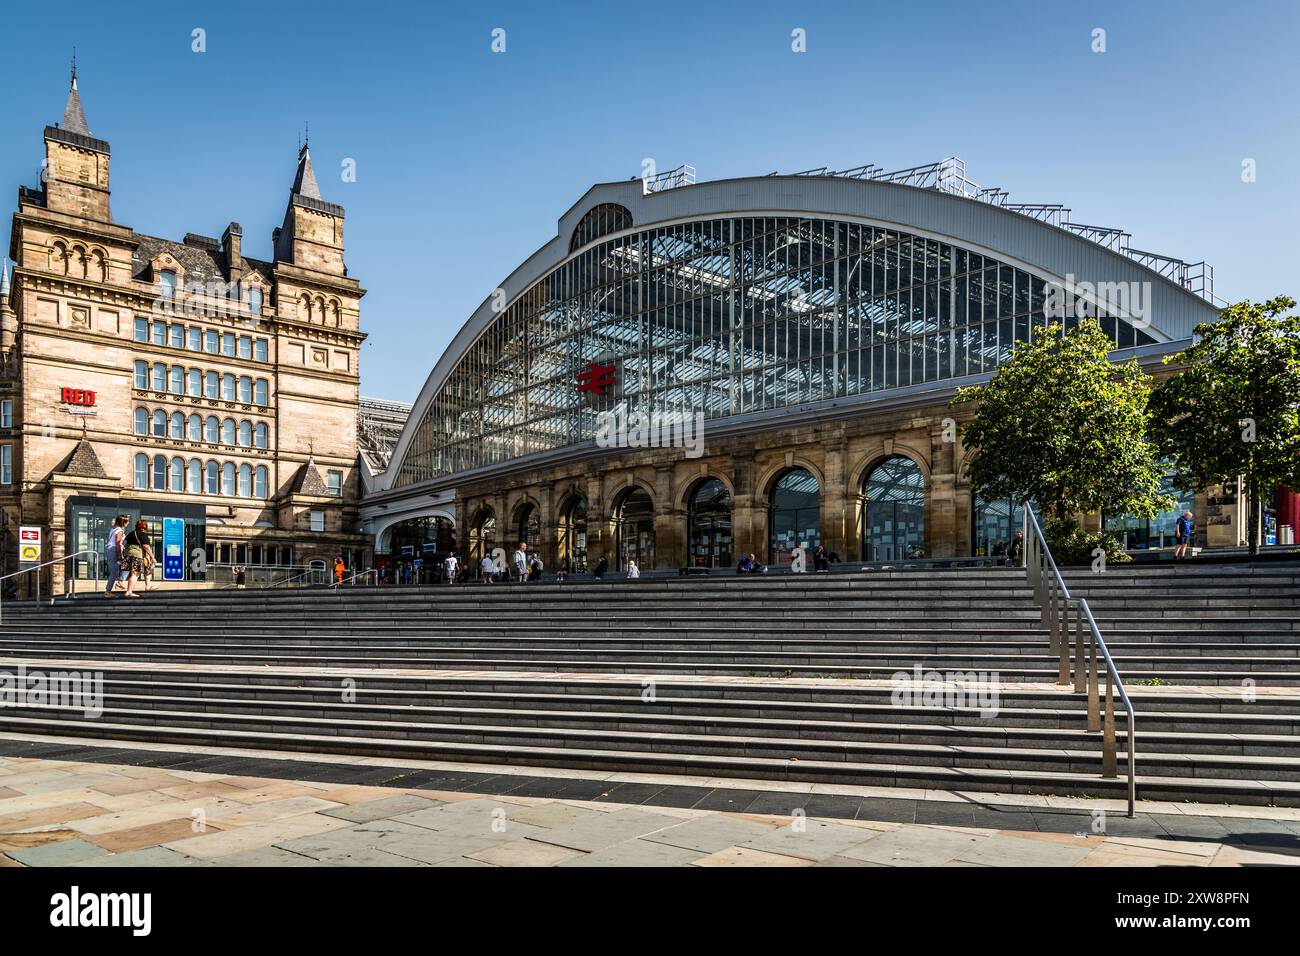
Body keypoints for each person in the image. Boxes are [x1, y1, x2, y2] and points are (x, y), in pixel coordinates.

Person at [122, 519, 155, 598]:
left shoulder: (131, 533)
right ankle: (129, 592)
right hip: (137, 555)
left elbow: (124, 543)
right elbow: (146, 546)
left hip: (129, 555)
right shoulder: (143, 534)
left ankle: (144, 587)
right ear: (145, 526)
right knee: (135, 574)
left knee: (136, 572)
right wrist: (152, 557)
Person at [103, 514, 128, 597]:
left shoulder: (113, 528)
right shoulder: (120, 530)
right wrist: (120, 555)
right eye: (127, 522)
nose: (128, 523)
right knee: (114, 572)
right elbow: (117, 543)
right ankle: (108, 591)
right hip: (114, 550)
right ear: (123, 522)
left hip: (110, 550)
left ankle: (120, 581)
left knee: (118, 568)